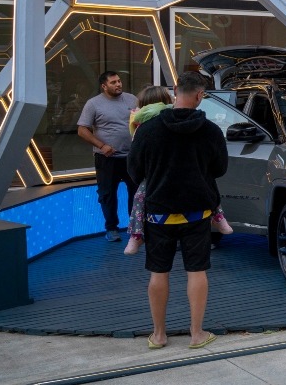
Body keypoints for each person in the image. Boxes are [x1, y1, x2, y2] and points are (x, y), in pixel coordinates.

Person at [127, 72, 227, 350]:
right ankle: (197, 334)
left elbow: (134, 170)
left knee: (158, 272)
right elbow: (220, 169)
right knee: (197, 271)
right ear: (200, 95)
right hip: (198, 213)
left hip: (158, 213)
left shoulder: (148, 130)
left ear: (174, 90)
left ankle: (159, 335)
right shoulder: (211, 131)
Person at [124, 86, 233, 256]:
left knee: (139, 200)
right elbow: (218, 168)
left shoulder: (143, 126)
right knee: (197, 266)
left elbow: (134, 165)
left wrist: (147, 178)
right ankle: (218, 217)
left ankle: (136, 234)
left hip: (158, 202)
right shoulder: (204, 127)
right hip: (196, 203)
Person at [77, 71, 138, 243]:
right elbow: (82, 130)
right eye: (113, 82)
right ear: (104, 86)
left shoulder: (132, 99)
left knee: (136, 193)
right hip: (107, 158)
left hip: (131, 157)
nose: (118, 84)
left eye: (119, 81)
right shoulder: (93, 104)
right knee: (107, 194)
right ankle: (111, 228)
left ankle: (135, 228)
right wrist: (101, 146)